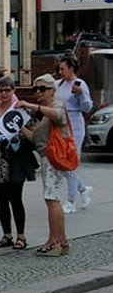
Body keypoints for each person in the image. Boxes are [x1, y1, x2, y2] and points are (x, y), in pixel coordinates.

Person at [0, 77, 36, 250]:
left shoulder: (21, 110)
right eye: (0, 91)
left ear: (13, 90)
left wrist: (19, 128)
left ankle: (21, 236)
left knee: (16, 198)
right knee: (1, 199)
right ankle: (7, 234)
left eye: (7, 91)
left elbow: (32, 136)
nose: (3, 94)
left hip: (16, 158)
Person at [16, 74, 71, 257]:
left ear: (52, 90)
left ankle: (53, 241)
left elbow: (59, 116)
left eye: (42, 89)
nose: (38, 92)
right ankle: (62, 241)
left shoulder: (56, 105)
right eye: (35, 89)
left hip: (53, 157)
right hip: (46, 156)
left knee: (51, 199)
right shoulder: (43, 112)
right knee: (53, 199)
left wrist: (32, 106)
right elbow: (35, 139)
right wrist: (18, 126)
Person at [55, 53, 93, 214]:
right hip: (61, 125)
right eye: (59, 69)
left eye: (63, 69)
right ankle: (83, 189)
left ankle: (70, 200)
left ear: (71, 68)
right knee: (61, 163)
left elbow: (87, 107)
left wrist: (80, 94)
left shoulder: (79, 84)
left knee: (71, 163)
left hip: (75, 126)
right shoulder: (59, 84)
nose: (60, 72)